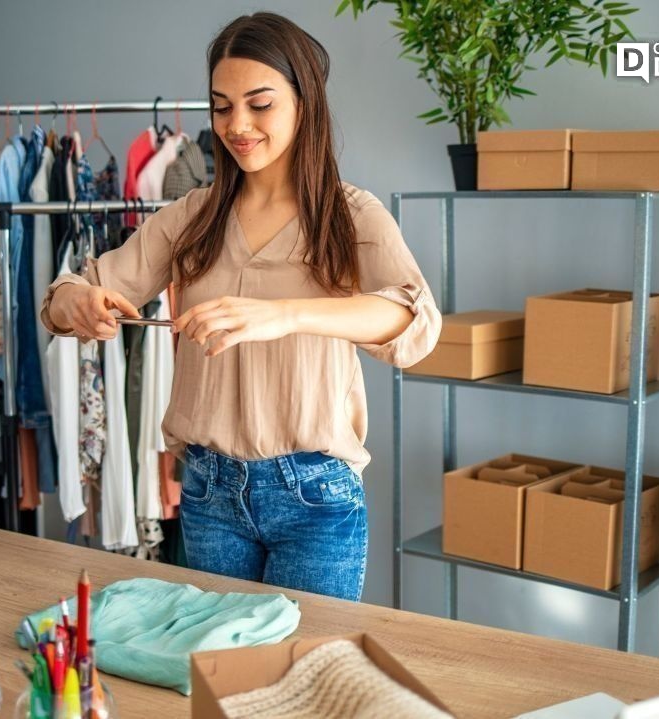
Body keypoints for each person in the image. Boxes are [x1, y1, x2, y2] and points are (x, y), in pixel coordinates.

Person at [40, 12, 441, 601]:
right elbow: (68, 292)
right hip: (209, 493)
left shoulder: (351, 216)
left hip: (315, 498)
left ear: (304, 103)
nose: (238, 125)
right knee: (219, 678)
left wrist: (285, 313)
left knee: (304, 679)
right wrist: (77, 302)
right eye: (221, 106)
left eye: (260, 104)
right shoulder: (191, 217)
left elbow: (415, 322)